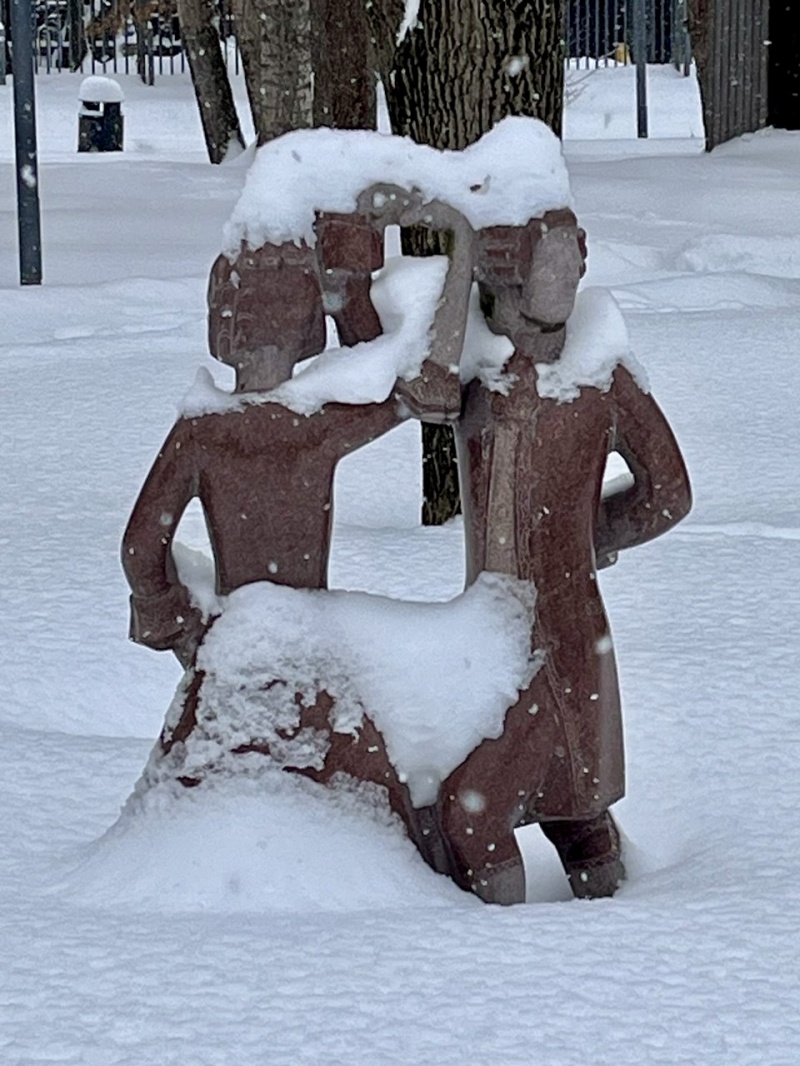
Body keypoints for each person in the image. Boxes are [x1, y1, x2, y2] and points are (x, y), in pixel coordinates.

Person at [426, 208, 692, 903]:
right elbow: (409, 383)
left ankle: (518, 946)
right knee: (572, 810)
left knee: (479, 812)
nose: (568, 276)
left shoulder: (600, 380)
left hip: (553, 638)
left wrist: (587, 537)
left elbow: (670, 493)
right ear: (506, 273)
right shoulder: (474, 375)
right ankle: (614, 910)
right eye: (552, 261)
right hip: (497, 637)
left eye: (574, 260)